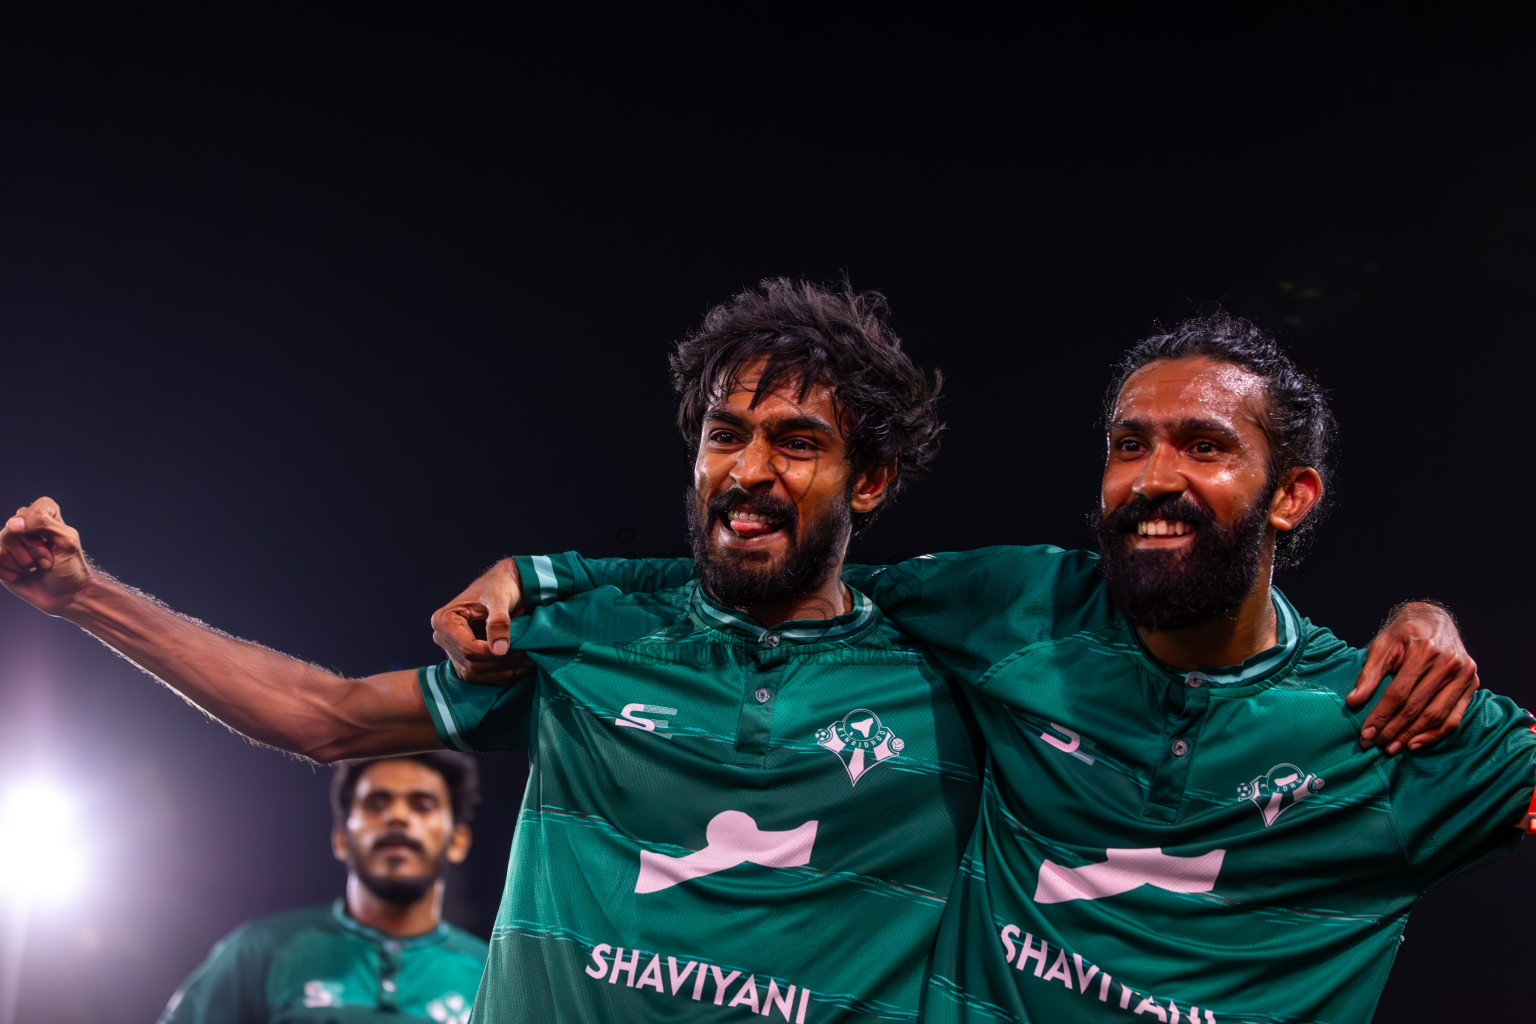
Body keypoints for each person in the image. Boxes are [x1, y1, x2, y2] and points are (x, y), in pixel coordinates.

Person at [0, 285, 1473, 1023]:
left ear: (870, 485)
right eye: (725, 433)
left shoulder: (956, 661)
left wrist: (1416, 623)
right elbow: (326, 715)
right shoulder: (579, 632)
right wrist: (86, 600)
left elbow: (1173, 640)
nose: (749, 467)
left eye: (797, 440)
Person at [472, 309, 1523, 1023]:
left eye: (1202, 446)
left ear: (1291, 495)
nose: (1153, 478)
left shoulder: (1384, 717)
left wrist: (1430, 616)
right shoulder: (1016, 606)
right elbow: (781, 563)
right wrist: (555, 574)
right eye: (1127, 444)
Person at [157, 753, 487, 1023]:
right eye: (376, 803)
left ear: (458, 841)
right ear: (341, 838)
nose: (398, 816)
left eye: (423, 805)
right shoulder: (259, 950)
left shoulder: (495, 975)